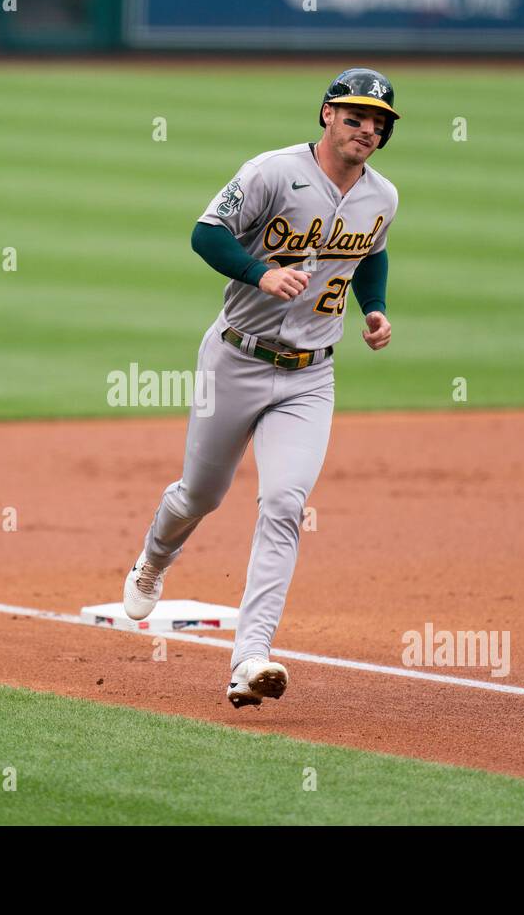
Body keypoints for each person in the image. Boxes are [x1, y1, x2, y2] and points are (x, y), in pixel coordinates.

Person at [122, 68, 399, 708]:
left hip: (312, 375)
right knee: (201, 492)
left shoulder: (383, 195)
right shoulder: (272, 172)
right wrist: (259, 273)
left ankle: (250, 660)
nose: (367, 129)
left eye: (378, 123)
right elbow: (205, 233)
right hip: (234, 360)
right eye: (355, 116)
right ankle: (153, 560)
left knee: (283, 504)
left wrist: (375, 308)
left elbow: (371, 252)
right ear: (327, 115)